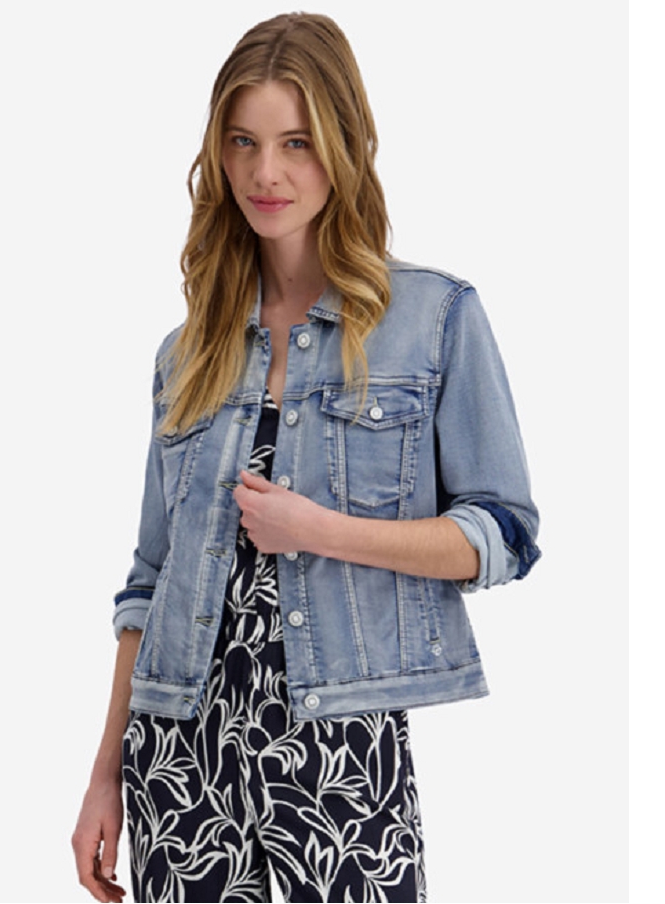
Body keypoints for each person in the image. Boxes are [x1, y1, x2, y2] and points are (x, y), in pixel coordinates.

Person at [72, 11, 540, 903]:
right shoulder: (187, 354)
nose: (265, 173)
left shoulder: (433, 320)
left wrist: (321, 530)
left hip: (341, 751)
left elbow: (502, 536)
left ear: (345, 146)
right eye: (242, 142)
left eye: (296, 142)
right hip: (179, 759)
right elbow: (150, 581)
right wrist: (105, 776)